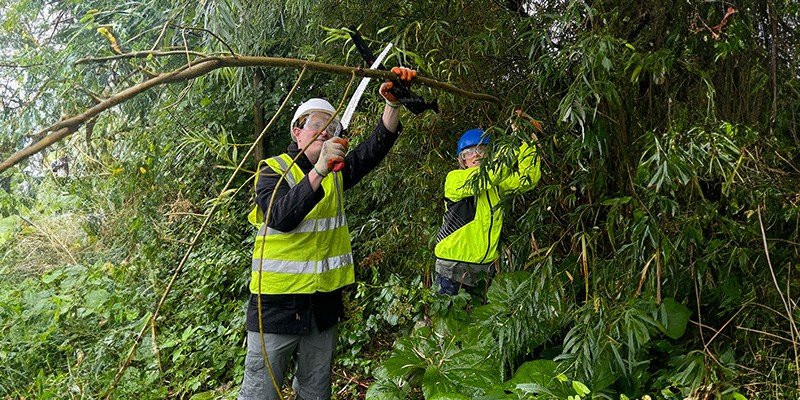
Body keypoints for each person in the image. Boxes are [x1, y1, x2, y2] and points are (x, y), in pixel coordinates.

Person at [239, 67, 417, 400]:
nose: (325, 132)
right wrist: (319, 169)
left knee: (315, 391)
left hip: (322, 307)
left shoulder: (337, 173)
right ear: (297, 131)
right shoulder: (272, 171)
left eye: (332, 127)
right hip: (274, 309)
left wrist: (393, 104)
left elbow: (373, 149)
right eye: (318, 124)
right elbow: (280, 216)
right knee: (261, 393)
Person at [433, 125, 541, 297]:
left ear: (490, 154)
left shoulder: (496, 186)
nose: (475, 154)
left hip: (484, 267)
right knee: (447, 319)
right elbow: (488, 176)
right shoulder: (454, 180)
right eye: (468, 152)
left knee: (479, 321)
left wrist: (525, 143)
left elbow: (527, 179)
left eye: (481, 149)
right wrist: (511, 143)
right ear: (463, 160)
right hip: (452, 267)